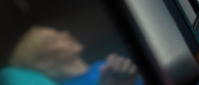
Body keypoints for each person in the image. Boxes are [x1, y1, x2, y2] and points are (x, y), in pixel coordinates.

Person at [3, 25, 141, 85]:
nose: (65, 33)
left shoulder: (103, 65)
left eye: (58, 32)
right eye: (54, 40)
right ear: (44, 62)